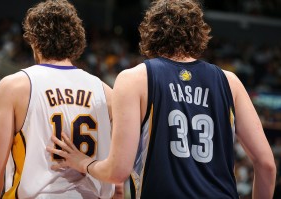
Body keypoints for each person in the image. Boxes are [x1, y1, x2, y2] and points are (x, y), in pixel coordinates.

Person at [47, 0, 276, 198]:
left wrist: (82, 162)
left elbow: (118, 171)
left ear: (149, 32)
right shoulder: (230, 81)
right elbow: (266, 164)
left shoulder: (134, 79)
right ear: (199, 33)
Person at [0, 0, 123, 198]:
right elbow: (118, 186)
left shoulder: (14, 86)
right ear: (76, 41)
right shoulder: (106, 92)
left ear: (34, 41)